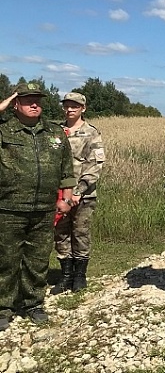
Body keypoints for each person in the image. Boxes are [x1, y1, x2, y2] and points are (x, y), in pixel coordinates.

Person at [0, 82, 75, 331]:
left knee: (38, 259)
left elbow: (66, 169)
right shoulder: (4, 131)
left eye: (38, 100)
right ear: (15, 104)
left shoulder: (54, 133)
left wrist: (65, 198)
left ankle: (33, 303)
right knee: (6, 260)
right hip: (9, 207)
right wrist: (4, 105)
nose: (35, 104)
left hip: (44, 209)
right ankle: (4, 307)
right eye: (27, 99)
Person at [51, 92, 105, 294]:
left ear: (83, 108)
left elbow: (95, 164)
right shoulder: (55, 131)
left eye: (74, 106)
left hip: (83, 194)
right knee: (61, 233)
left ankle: (80, 275)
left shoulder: (91, 133)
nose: (69, 109)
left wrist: (79, 190)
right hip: (59, 194)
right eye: (66, 106)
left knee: (80, 232)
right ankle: (65, 274)